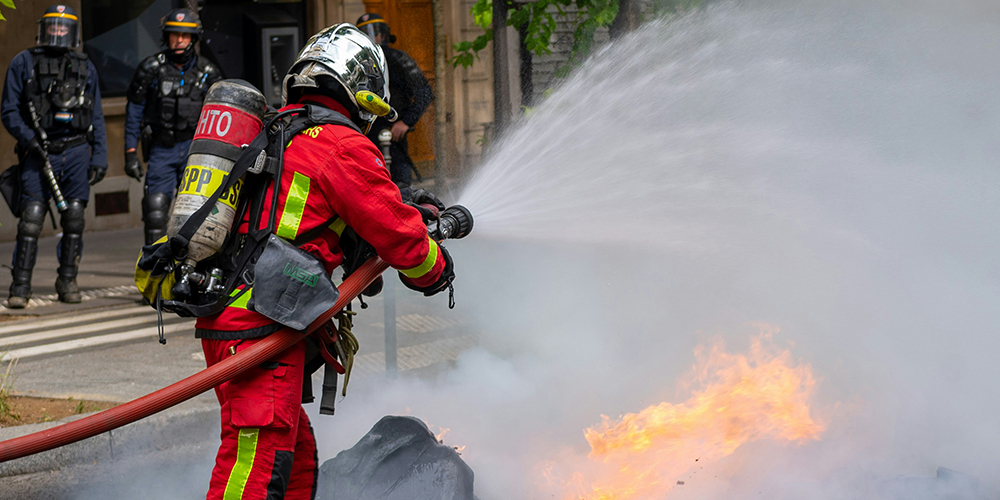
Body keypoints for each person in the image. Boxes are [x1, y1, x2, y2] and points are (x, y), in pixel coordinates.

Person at [196, 24, 454, 499]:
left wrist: (403, 201)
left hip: (238, 316)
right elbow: (400, 240)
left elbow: (335, 207)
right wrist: (437, 270)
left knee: (293, 454)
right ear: (361, 92)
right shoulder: (341, 143)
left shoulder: (285, 130)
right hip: (260, 324)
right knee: (256, 462)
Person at [0, 4, 108, 307]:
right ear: (43, 29)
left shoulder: (85, 66)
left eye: (63, 28)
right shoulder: (24, 62)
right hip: (38, 151)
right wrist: (28, 138)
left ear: (71, 33)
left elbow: (96, 115)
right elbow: (9, 110)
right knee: (31, 220)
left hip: (75, 152)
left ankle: (67, 280)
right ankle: (20, 287)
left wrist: (99, 156)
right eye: (53, 27)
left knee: (74, 219)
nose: (58, 32)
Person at [123, 8, 223, 245]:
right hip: (162, 147)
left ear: (193, 38)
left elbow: (221, 115)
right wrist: (129, 153)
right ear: (166, 37)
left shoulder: (209, 73)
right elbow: (134, 111)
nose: (179, 40)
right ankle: (154, 268)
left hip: (195, 150)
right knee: (155, 209)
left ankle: (191, 270)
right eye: (174, 35)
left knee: (198, 212)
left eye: (184, 36)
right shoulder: (151, 69)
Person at [356, 13, 433, 189]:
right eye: (364, 34)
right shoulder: (355, 64)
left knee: (401, 185)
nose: (370, 38)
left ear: (383, 36)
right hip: (364, 135)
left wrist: (406, 121)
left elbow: (424, 91)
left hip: (394, 134)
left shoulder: (398, 59)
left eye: (374, 33)